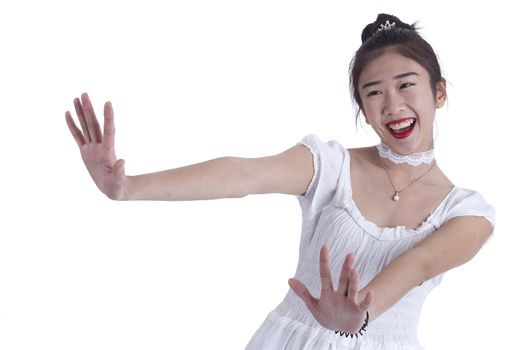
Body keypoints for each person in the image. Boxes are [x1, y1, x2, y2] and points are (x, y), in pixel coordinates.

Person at [65, 13, 495, 350]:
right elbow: (244, 173)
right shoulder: (331, 165)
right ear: (363, 109)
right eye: (374, 92)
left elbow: (420, 264)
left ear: (439, 92)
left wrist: (360, 314)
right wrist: (129, 187)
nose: (393, 104)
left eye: (406, 85)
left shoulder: (469, 213)